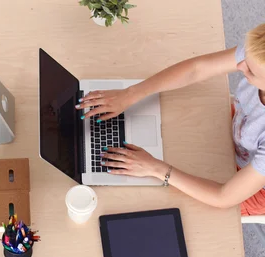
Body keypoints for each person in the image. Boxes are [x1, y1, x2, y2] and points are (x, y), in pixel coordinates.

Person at [78, 23, 265, 216]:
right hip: (238, 133)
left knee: (156, 204)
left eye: (250, 70)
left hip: (251, 188)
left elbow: (223, 197)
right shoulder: (259, 52)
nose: (240, 65)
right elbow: (196, 69)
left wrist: (156, 168)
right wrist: (131, 94)